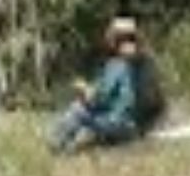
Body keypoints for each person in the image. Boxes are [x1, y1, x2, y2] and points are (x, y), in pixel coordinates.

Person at [49, 17, 144, 154]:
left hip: (120, 123)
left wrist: (84, 88)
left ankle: (56, 146)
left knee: (77, 109)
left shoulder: (117, 65)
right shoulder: (137, 63)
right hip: (131, 123)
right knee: (85, 115)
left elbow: (100, 98)